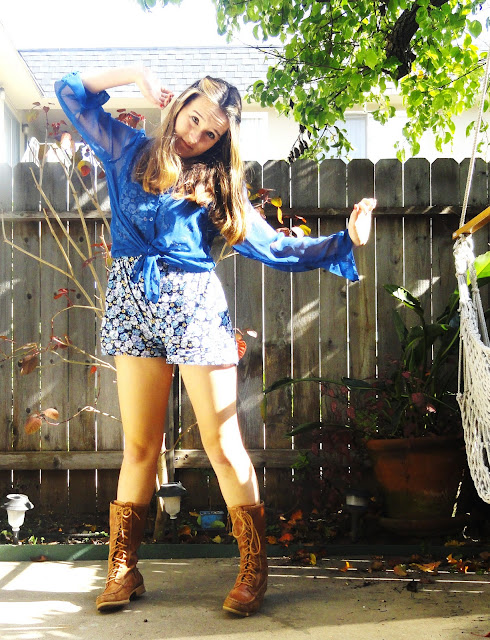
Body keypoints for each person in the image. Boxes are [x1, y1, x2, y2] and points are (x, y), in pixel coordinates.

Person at [55, 66, 375, 617]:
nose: (196, 134)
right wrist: (135, 75)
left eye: (211, 133)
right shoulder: (128, 150)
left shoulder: (219, 185)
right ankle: (123, 569)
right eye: (194, 117)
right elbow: (71, 93)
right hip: (132, 307)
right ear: (179, 103)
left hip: (196, 310)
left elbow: (277, 248)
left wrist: (345, 239)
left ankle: (253, 570)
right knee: (139, 448)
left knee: (223, 444)